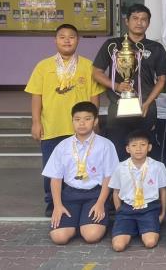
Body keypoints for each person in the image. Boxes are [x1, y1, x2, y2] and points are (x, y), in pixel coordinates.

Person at [26, 24, 104, 216]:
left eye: (71, 37)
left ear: (78, 40)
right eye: (62, 37)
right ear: (55, 40)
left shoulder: (88, 66)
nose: (67, 40)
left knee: (80, 165)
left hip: (81, 128)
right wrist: (36, 122)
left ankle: (76, 200)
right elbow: (36, 96)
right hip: (52, 126)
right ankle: (52, 203)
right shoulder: (43, 66)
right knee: (52, 168)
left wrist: (95, 121)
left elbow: (94, 96)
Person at [92, 4, 166, 160]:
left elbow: (162, 79)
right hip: (118, 108)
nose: (139, 22)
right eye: (135, 18)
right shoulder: (113, 45)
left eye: (143, 19)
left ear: (148, 23)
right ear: (127, 21)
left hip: (145, 109)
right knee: (118, 153)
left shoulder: (156, 48)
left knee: (145, 153)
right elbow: (96, 72)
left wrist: (147, 103)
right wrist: (116, 86)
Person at [42, 102, 118, 245]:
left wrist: (101, 203)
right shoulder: (63, 146)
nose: (82, 123)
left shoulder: (105, 145)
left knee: (91, 236)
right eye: (77, 119)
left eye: (87, 119)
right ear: (72, 121)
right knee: (59, 237)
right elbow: (55, 179)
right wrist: (57, 206)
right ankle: (79, 222)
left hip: (95, 194)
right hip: (70, 194)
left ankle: (85, 223)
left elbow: (109, 177)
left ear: (95, 121)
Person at [109, 129, 166, 252]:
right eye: (134, 145)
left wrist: (162, 213)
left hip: (149, 208)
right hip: (127, 209)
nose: (138, 149)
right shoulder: (120, 167)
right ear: (128, 149)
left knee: (150, 242)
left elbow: (163, 191)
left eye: (143, 145)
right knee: (118, 246)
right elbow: (116, 192)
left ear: (149, 147)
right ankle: (133, 226)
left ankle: (141, 227)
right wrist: (119, 211)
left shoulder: (158, 166)